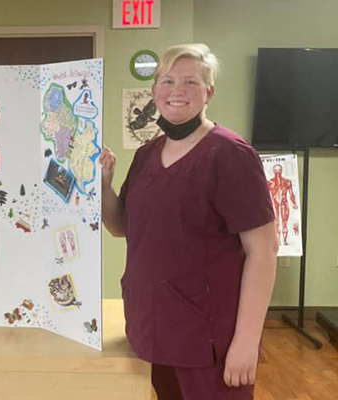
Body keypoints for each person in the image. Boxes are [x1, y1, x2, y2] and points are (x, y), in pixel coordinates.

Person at [100, 43, 278, 400]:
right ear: (154, 91)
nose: (176, 90)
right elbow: (122, 228)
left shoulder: (230, 154)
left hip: (208, 338)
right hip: (151, 326)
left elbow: (264, 251)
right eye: (167, 80)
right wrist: (103, 187)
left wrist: (245, 343)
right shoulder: (146, 154)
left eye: (190, 82)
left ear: (208, 91)